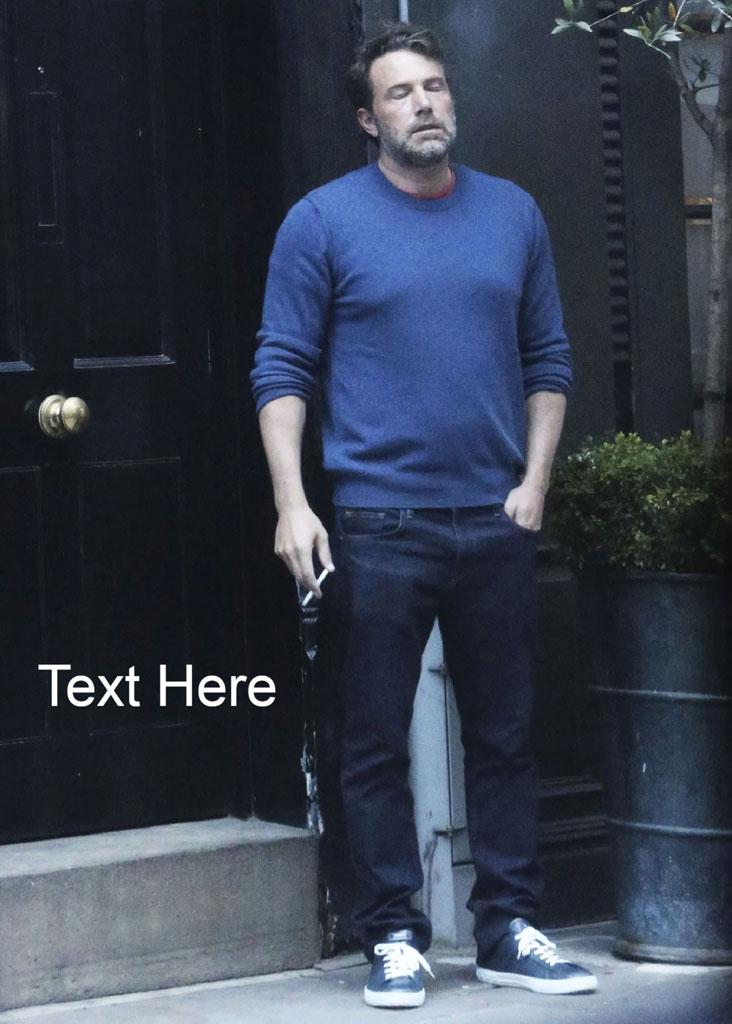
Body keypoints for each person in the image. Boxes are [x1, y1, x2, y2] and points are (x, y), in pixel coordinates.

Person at [251, 21, 597, 1009]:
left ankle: (509, 928)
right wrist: (292, 502)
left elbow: (550, 361)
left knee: (505, 734)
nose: (426, 104)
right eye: (402, 93)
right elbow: (282, 368)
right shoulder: (321, 222)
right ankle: (394, 935)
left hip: (496, 520)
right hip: (376, 523)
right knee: (371, 742)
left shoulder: (514, 214)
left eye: (437, 86)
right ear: (369, 119)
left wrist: (534, 483)